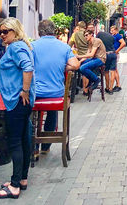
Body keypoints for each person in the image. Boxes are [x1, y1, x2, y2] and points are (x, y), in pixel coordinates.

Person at [0, 17, 35, 199]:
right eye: (0, 32)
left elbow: (28, 67)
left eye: (5, 31)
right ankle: (22, 178)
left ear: (15, 31)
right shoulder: (18, 46)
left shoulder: (16, 47)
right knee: (24, 139)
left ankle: (15, 185)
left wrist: (24, 90)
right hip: (21, 101)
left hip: (17, 101)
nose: (2, 35)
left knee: (15, 141)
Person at [31, 20, 80, 153]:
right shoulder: (64, 47)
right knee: (52, 112)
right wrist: (63, 66)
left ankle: (33, 146)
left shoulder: (32, 46)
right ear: (54, 31)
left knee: (29, 111)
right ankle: (46, 146)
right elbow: (76, 65)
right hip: (56, 93)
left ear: (39, 32)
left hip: (36, 94)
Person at [78, 29, 106, 94]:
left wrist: (79, 56)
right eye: (84, 36)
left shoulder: (96, 41)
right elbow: (87, 55)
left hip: (100, 59)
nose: (85, 37)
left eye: (87, 35)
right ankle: (91, 79)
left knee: (83, 68)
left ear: (91, 35)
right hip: (94, 58)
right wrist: (80, 62)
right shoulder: (90, 42)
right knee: (78, 67)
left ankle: (96, 80)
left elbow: (91, 54)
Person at [96, 25, 117, 94]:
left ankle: (107, 87)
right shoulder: (112, 37)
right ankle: (111, 88)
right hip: (113, 54)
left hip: (106, 54)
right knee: (113, 71)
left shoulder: (99, 36)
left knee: (106, 71)